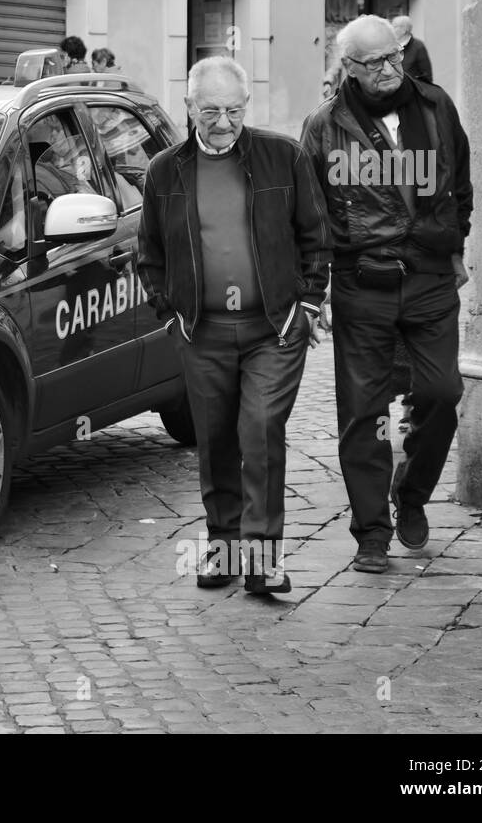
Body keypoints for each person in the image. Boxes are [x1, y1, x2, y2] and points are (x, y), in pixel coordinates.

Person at [137, 57, 331, 595]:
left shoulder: (282, 156)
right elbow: (148, 254)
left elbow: (316, 236)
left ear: (246, 107)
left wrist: (308, 307)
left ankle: (263, 559)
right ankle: (223, 549)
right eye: (211, 111)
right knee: (216, 440)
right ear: (189, 108)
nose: (223, 122)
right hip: (202, 331)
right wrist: (171, 314)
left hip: (274, 326)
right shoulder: (164, 171)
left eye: (234, 110)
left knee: (260, 429)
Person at [300, 14, 471, 573]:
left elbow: (461, 182)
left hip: (428, 278)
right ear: (347, 67)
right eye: (373, 62)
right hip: (362, 281)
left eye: (393, 57)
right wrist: (313, 290)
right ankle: (371, 532)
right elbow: (311, 215)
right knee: (363, 412)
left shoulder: (435, 106)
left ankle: (412, 494)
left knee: (443, 392)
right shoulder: (324, 127)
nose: (388, 69)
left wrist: (454, 243)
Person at [391, 15, 433, 83]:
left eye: (394, 27)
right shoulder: (391, 46)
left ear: (404, 30)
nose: (391, 30)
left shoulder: (418, 46)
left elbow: (427, 76)